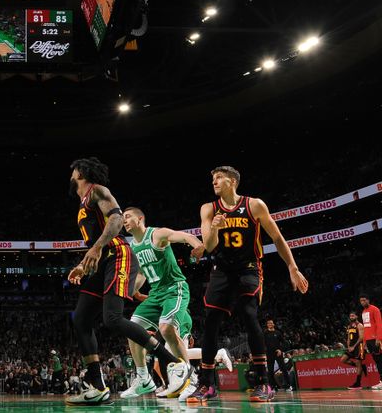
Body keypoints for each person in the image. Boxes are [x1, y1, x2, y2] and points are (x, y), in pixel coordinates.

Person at [187, 166, 308, 404]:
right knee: (211, 321)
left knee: (248, 314)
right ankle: (206, 384)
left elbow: (277, 238)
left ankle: (264, 382)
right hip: (221, 269)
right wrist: (215, 228)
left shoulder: (255, 205)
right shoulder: (208, 208)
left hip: (249, 267)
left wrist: (293, 268)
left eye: (219, 177)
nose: (214, 181)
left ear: (233, 181)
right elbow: (209, 246)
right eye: (213, 178)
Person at [65, 157, 180, 405]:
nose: (71, 173)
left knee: (112, 319)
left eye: (74, 170)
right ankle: (97, 387)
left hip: (118, 256)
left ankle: (175, 364)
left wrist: (95, 250)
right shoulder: (83, 203)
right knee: (82, 319)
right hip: (101, 262)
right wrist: (82, 266)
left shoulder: (98, 191)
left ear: (82, 173)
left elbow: (116, 220)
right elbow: (96, 242)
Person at [120, 207, 204, 399]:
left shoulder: (157, 234)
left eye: (128, 217)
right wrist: (133, 291)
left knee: (166, 329)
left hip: (175, 288)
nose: (124, 221)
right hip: (155, 294)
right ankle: (143, 378)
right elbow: (141, 273)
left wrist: (197, 244)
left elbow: (180, 235)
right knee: (132, 329)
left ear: (140, 218)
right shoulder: (133, 247)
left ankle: (190, 379)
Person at [360, 294, 382, 390]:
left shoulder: (375, 309)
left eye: (364, 300)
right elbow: (365, 328)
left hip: (375, 339)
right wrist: (364, 343)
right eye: (361, 301)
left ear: (368, 300)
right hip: (368, 341)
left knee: (380, 360)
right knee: (377, 361)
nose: (363, 302)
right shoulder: (363, 312)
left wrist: (378, 338)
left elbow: (379, 324)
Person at [264, 319, 292, 391]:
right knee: (270, 371)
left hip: (278, 353)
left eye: (271, 323)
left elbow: (284, 343)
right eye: (268, 323)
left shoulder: (278, 333)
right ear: (267, 325)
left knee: (283, 369)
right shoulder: (265, 333)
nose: (269, 324)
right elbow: (262, 344)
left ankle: (289, 386)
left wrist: (280, 350)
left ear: (273, 324)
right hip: (269, 354)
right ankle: (273, 387)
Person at [341, 311, 366, 390]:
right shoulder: (349, 326)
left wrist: (354, 346)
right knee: (343, 360)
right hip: (351, 347)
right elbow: (348, 338)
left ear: (356, 316)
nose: (351, 317)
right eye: (350, 316)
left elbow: (361, 337)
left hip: (359, 346)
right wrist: (348, 346)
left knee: (358, 363)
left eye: (353, 316)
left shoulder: (360, 325)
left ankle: (358, 384)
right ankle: (361, 367)